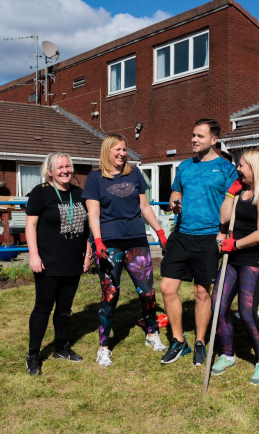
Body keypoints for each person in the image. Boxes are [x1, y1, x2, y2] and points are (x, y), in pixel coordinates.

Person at [82, 134, 168, 367]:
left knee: (147, 292)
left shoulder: (135, 173)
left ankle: (152, 334)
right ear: (107, 151)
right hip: (109, 244)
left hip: (136, 241)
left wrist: (159, 232)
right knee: (110, 295)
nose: (122, 153)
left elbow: (144, 206)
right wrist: (97, 242)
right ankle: (103, 347)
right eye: (117, 149)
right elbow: (94, 214)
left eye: (124, 149)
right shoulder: (94, 178)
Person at [160, 119, 238, 366]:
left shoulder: (227, 169)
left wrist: (223, 234)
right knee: (167, 288)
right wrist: (174, 201)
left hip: (209, 237)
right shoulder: (184, 166)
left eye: (200, 136)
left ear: (214, 140)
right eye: (193, 135)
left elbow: (232, 205)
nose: (194, 140)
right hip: (182, 235)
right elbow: (175, 191)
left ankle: (200, 342)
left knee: (201, 292)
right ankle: (178, 340)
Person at [210, 148, 259, 385]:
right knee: (218, 306)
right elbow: (224, 219)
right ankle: (228, 354)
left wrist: (234, 244)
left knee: (247, 312)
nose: (237, 169)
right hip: (234, 254)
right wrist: (231, 193)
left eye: (241, 165)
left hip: (255, 257)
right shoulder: (242, 191)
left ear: (255, 167)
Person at [25, 152, 91, 376]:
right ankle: (33, 355)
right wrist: (34, 255)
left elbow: (88, 228)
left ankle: (61, 347)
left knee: (64, 309)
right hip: (48, 262)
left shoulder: (79, 193)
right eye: (60, 167)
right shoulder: (41, 193)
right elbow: (31, 226)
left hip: (73, 261)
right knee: (43, 308)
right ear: (50, 171)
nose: (65, 170)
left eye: (68, 166)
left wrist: (87, 253)